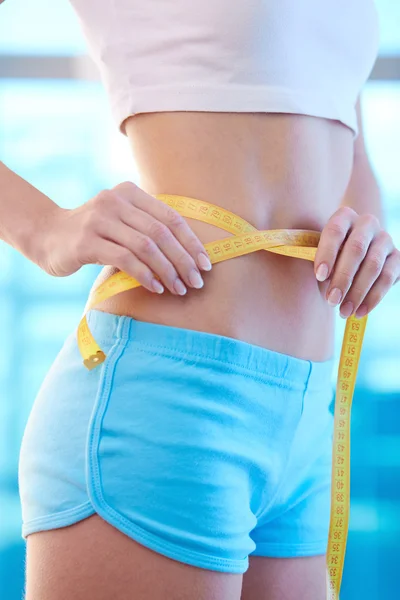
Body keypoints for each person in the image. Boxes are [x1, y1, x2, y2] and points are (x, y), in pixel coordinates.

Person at [1, 0, 399, 598]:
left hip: (307, 413)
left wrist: (369, 235)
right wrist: (43, 228)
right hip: (168, 397)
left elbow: (345, 143)